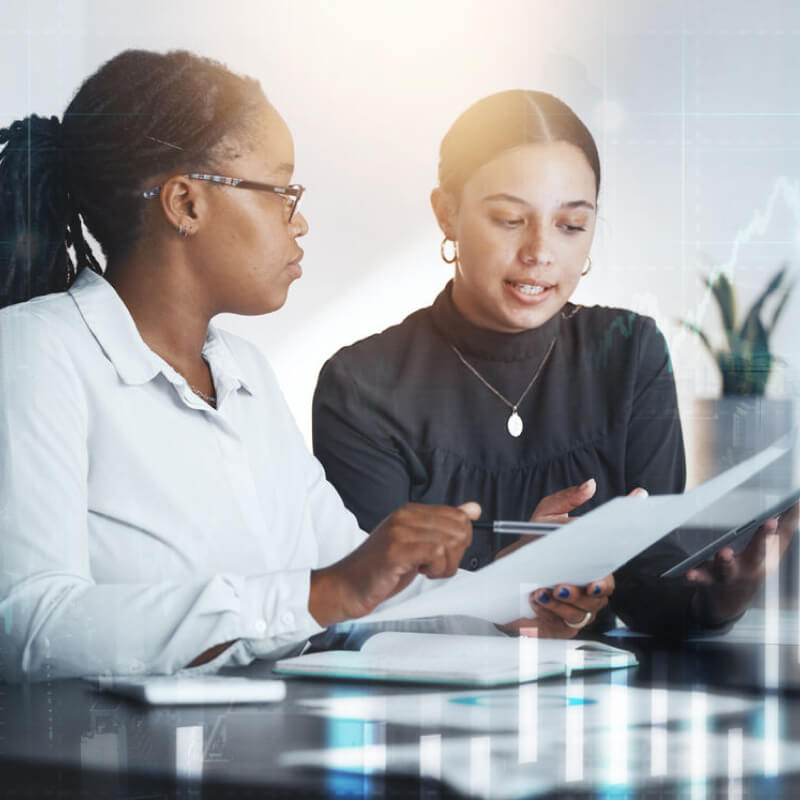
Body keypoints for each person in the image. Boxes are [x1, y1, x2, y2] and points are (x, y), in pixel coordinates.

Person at [0, 49, 503, 682]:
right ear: (185, 204)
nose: (301, 221)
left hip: (268, 757)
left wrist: (521, 599)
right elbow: (30, 626)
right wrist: (319, 595)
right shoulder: (36, 352)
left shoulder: (246, 374)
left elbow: (363, 580)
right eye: (281, 191)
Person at [313, 90, 798, 639]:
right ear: (447, 213)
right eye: (508, 219)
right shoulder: (362, 385)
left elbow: (647, 582)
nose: (541, 252)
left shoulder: (628, 351)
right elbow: (359, 612)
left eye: (570, 225)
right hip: (417, 711)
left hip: (588, 705)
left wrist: (715, 602)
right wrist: (504, 585)